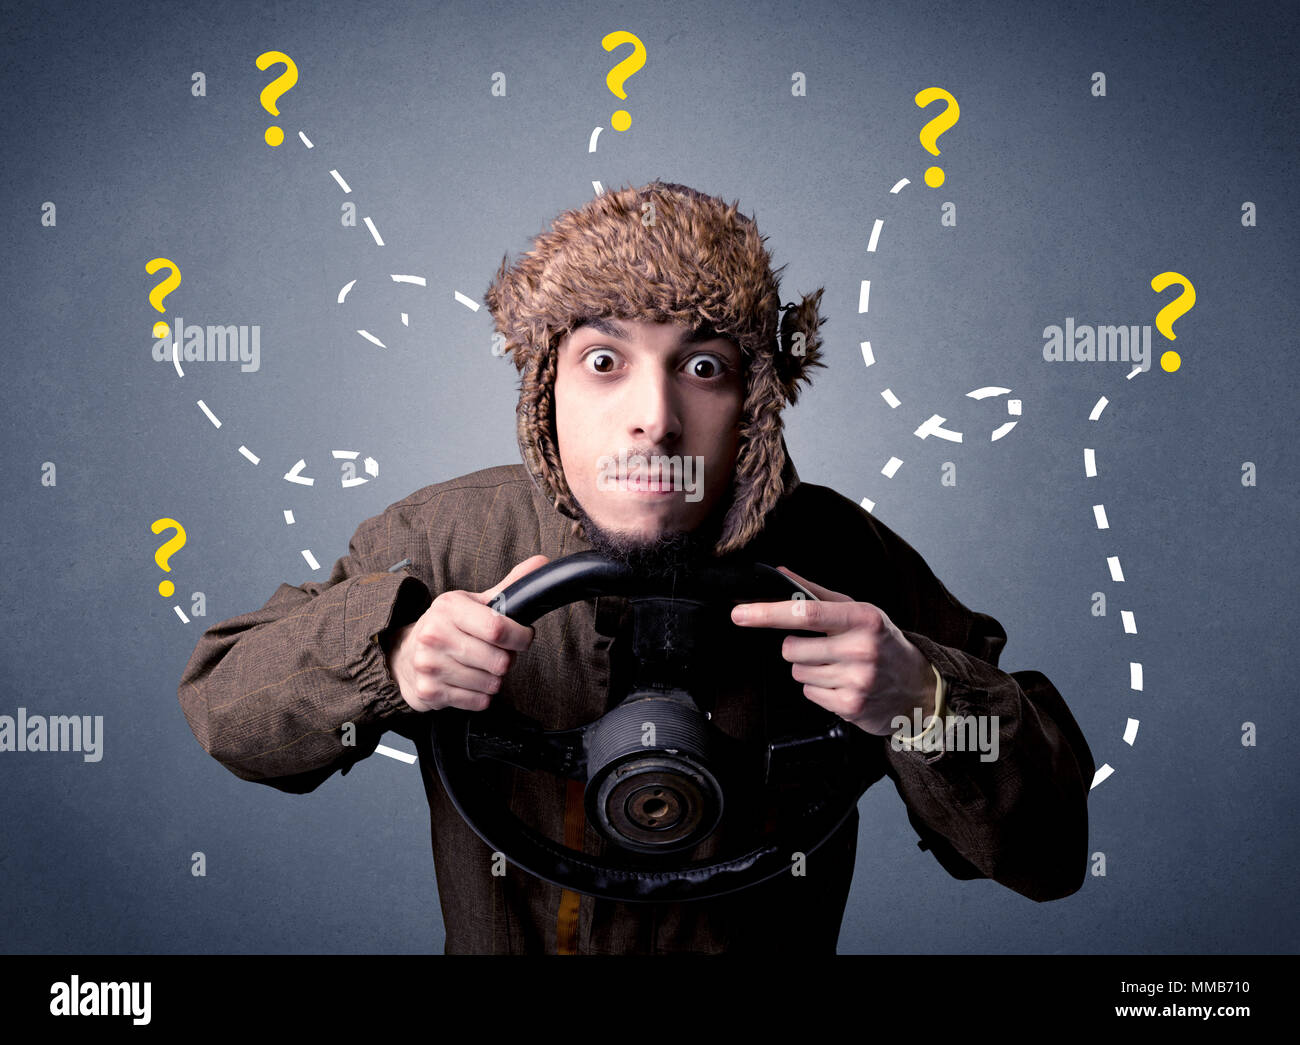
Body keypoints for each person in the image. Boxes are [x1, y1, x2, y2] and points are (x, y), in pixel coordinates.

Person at [178, 180, 1094, 954]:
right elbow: (229, 712)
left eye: (702, 365)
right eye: (604, 360)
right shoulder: (450, 536)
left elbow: (1049, 853)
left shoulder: (844, 562)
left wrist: (923, 700)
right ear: (548, 391)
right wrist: (391, 656)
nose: (652, 417)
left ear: (756, 402)